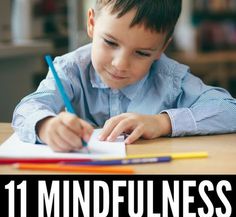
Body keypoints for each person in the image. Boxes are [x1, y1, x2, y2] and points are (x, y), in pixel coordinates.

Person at [12, 0, 236, 152]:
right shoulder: (70, 70)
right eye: (110, 42)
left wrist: (163, 122)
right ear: (92, 23)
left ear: (160, 49)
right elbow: (27, 108)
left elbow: (230, 109)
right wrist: (47, 126)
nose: (120, 64)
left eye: (142, 53)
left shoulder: (170, 79)